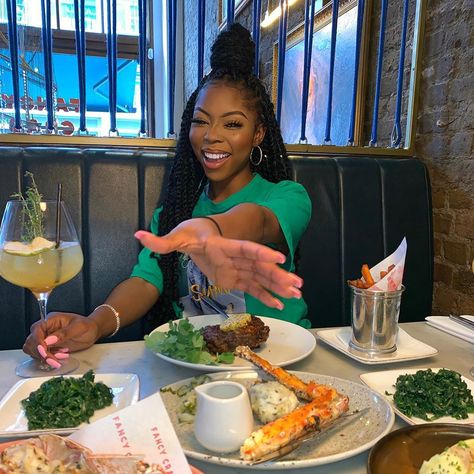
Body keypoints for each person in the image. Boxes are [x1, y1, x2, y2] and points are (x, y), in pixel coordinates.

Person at [23, 23, 312, 367]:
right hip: (199, 366)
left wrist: (212, 230)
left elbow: (260, 222)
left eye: (232, 124)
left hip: (283, 359)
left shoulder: (288, 197)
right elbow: (146, 281)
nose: (211, 137)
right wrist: (94, 323)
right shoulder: (173, 214)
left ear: (258, 134)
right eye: (201, 122)